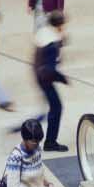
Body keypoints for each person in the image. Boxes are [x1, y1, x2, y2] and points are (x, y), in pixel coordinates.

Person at [34, 10, 70, 152]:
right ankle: (50, 142)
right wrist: (62, 78)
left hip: (39, 74)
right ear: (60, 25)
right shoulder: (52, 44)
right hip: (45, 78)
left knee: (53, 106)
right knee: (56, 108)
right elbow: (50, 69)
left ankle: (49, 138)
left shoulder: (44, 32)